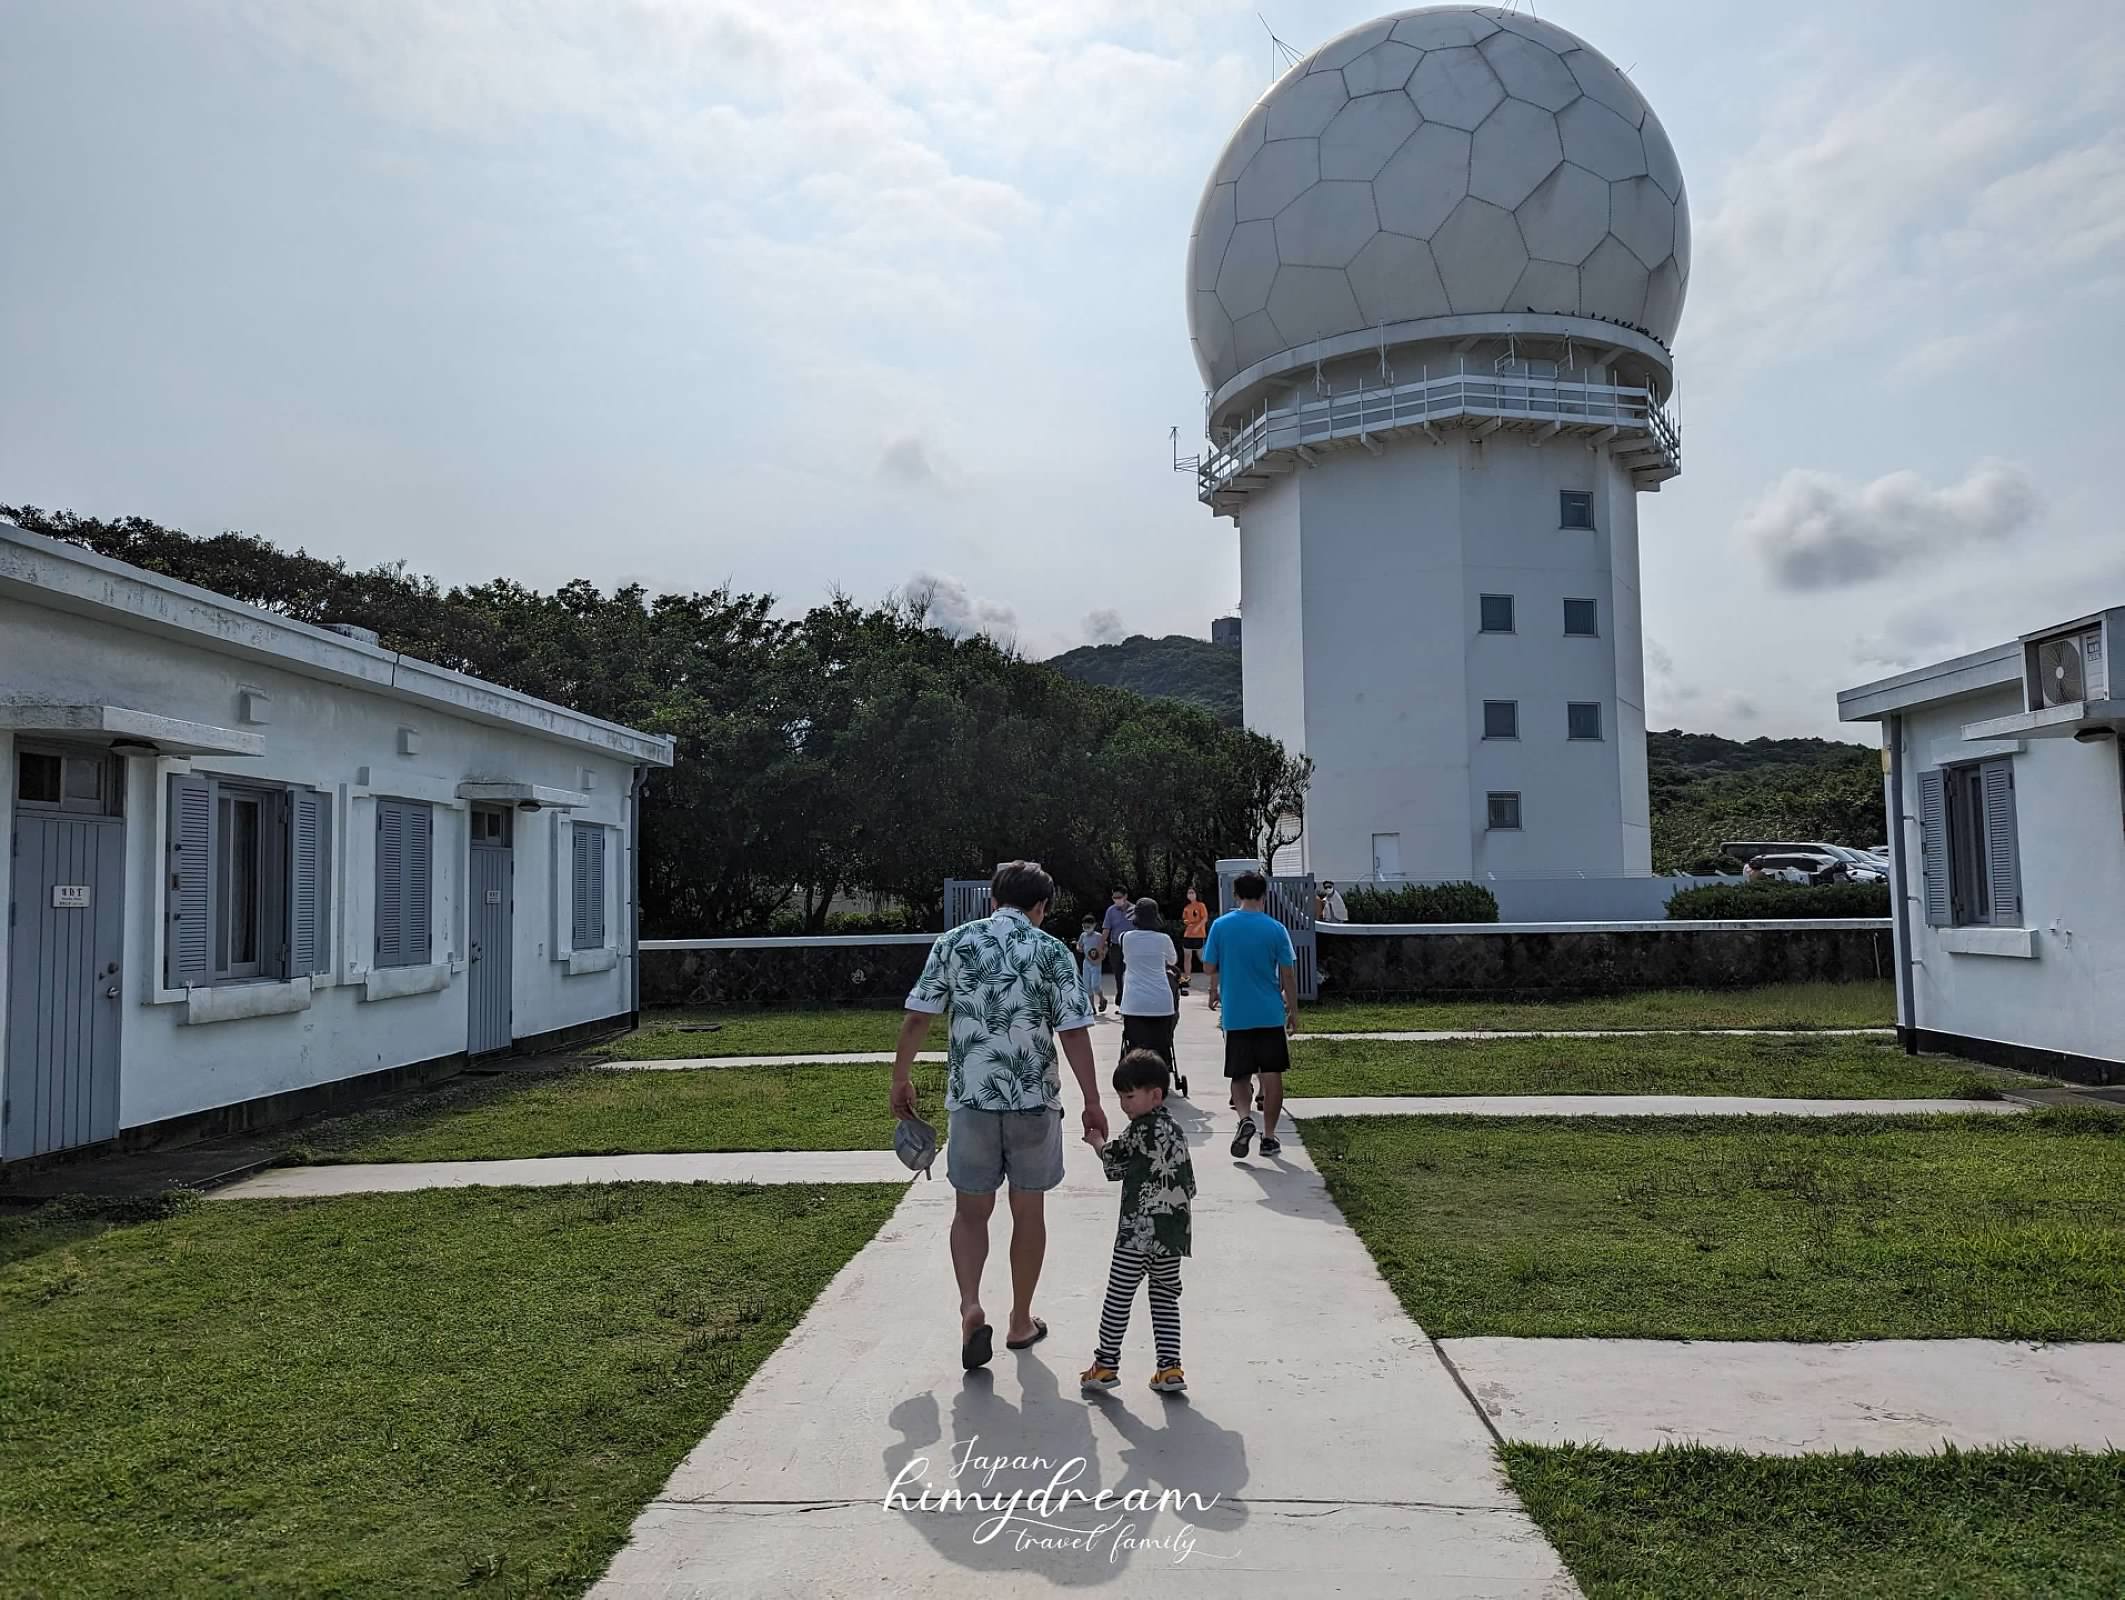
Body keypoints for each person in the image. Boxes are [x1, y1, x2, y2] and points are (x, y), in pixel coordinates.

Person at [893, 860, 1109, 1371]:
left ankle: (970, 1306)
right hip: (1033, 1101)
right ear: (1041, 906)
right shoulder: (1053, 950)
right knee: (1028, 1212)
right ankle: (1019, 1320)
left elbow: (919, 1016)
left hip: (971, 1101)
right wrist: (1093, 1100)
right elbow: (1074, 1032)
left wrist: (900, 1076)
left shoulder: (954, 943)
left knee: (971, 1213)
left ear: (994, 900)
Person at [1081, 1048, 1196, 1396]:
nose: (1124, 1104)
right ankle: (1169, 1368)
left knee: (1119, 1295)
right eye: (1120, 1097)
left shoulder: (1138, 1131)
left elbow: (1114, 1165)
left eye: (1129, 1096)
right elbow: (1189, 1184)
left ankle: (1105, 1365)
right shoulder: (1177, 1131)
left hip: (1136, 1232)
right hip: (1171, 1234)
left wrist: (1097, 1142)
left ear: (1155, 1095)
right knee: (1164, 1297)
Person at [1200, 869, 1297, 1160]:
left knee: (1240, 1074)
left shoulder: (1221, 926)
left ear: (1236, 895)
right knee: (1272, 1075)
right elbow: (1289, 974)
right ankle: (1269, 1136)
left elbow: (1207, 967)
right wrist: (1293, 1010)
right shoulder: (1276, 929)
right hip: (1269, 1012)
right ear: (1264, 895)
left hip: (1236, 1013)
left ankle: (1244, 1118)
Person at [1117, 896, 1179, 1071]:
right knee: (1160, 1046)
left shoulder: (1125, 938)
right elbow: (1172, 960)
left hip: (1134, 1004)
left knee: (1135, 1047)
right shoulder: (1164, 939)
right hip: (1160, 1003)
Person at [1100, 888, 1134, 1011]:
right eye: (1114, 897)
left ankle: (1131, 1001)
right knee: (1118, 975)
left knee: (1130, 974)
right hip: (1115, 946)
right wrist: (1101, 946)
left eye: (1119, 897)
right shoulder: (1111, 910)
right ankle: (1121, 1003)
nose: (1117, 900)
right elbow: (1106, 929)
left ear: (1125, 896)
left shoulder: (1134, 910)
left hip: (1131, 947)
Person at [1178, 885, 1209, 995]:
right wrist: (1187, 922)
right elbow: (1184, 918)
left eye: (1192, 892)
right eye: (1189, 893)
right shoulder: (1187, 907)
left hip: (1199, 934)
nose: (1190, 894)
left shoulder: (1201, 905)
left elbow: (1205, 918)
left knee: (1201, 956)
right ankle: (1187, 977)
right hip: (1188, 934)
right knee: (1187, 956)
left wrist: (1198, 927)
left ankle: (1211, 973)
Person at [1077, 914, 1109, 1017]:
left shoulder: (1099, 936)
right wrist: (1079, 948)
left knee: (1095, 985)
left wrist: (1103, 953)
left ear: (1094, 925)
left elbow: (1105, 946)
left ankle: (1102, 999)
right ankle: (1092, 1007)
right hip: (1086, 962)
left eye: (1088, 927)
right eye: (1085, 927)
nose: (1086, 929)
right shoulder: (1083, 936)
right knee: (1087, 986)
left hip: (1096, 963)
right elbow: (1079, 944)